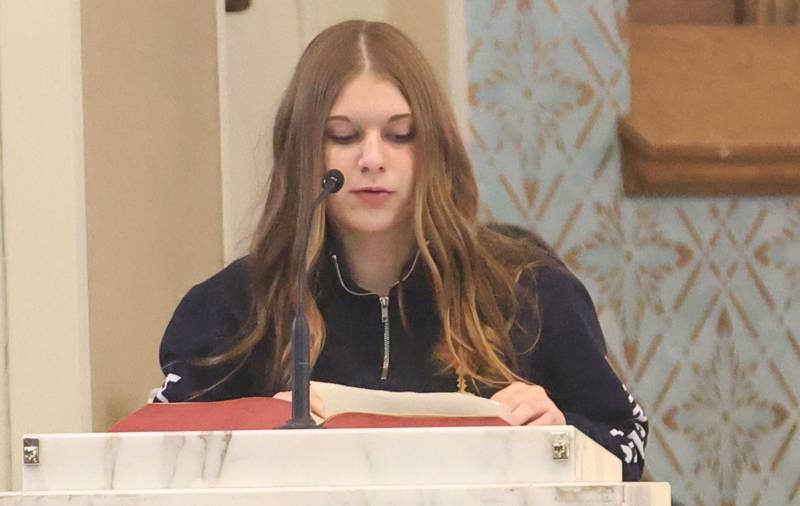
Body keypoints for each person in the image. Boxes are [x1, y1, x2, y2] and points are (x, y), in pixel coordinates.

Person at [155, 20, 648, 480]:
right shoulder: (236, 306)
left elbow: (627, 443)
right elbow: (153, 453)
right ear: (302, 150)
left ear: (435, 148)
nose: (372, 160)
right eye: (343, 136)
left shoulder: (527, 290)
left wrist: (562, 436)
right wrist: (256, 425)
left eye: (399, 135)